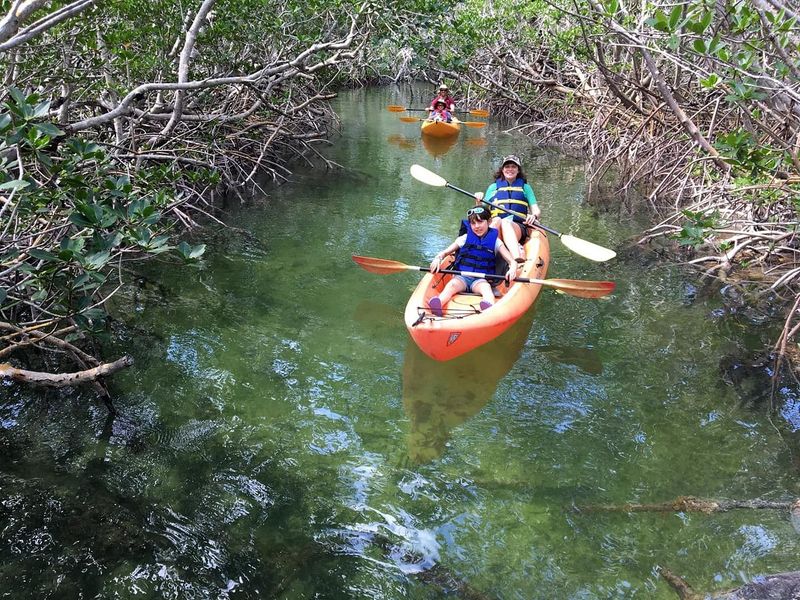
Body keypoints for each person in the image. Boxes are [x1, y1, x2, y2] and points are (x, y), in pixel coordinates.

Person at [427, 206, 517, 317]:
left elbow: (512, 261)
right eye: (473, 223)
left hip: (480, 280)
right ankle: (439, 303)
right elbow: (444, 253)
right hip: (462, 278)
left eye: (480, 222)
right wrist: (438, 258)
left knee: (486, 289)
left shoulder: (496, 242)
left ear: (489, 222)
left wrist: (513, 268)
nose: (477, 226)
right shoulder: (464, 238)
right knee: (451, 285)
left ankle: (489, 306)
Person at [473, 155, 541, 263]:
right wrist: (478, 201)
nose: (510, 169)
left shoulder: (525, 188)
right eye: (507, 166)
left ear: (518, 170)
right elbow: (481, 213)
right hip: (496, 226)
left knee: (505, 222)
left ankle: (516, 258)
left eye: (513, 167)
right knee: (496, 221)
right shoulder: (493, 187)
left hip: (517, 226)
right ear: (502, 169)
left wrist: (534, 216)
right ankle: (481, 256)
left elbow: (535, 209)